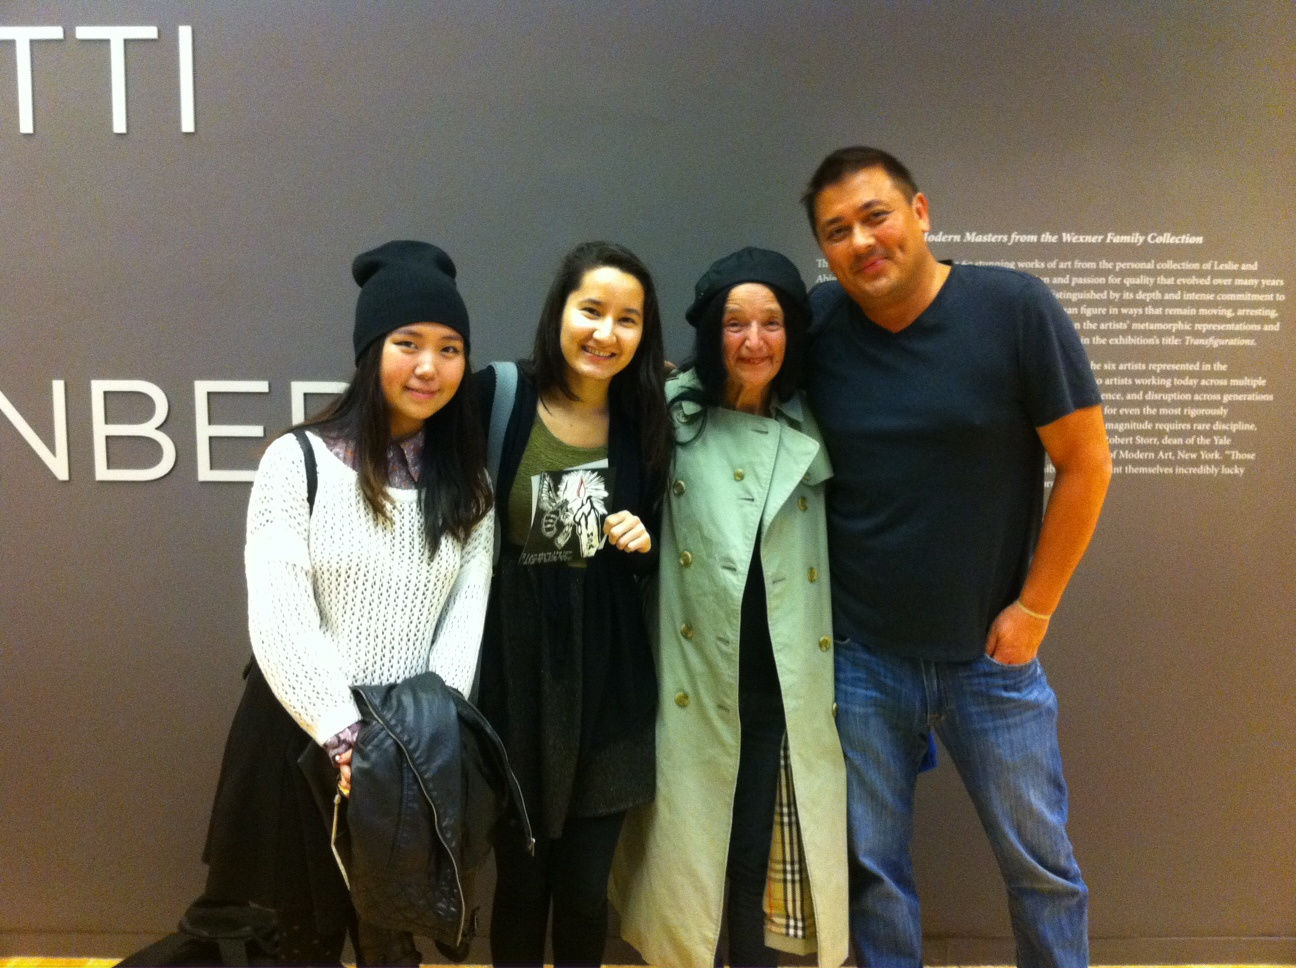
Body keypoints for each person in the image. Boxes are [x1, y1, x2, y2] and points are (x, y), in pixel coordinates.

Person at [801, 146, 1112, 968]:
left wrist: (1035, 609)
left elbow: (1086, 463)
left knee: (1041, 868)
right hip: (862, 656)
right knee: (872, 873)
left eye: (876, 216)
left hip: (990, 657)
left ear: (921, 212)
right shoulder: (822, 324)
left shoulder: (1012, 307)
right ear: (824, 250)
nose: (862, 241)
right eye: (837, 231)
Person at [202, 240, 494, 966]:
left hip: (408, 753)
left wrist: (425, 740)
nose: (430, 367)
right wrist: (342, 737)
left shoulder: (469, 484)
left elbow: (465, 619)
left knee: (391, 946)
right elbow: (279, 619)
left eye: (451, 348)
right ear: (371, 351)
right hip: (297, 738)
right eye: (408, 343)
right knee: (295, 943)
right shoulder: (295, 462)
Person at [611, 248, 849, 968]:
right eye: (735, 323)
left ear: (793, 334)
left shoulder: (813, 426)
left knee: (751, 866)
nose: (753, 341)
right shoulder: (668, 418)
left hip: (775, 689)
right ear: (710, 333)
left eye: (772, 323)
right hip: (689, 689)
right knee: (685, 870)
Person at [475, 240, 671, 968]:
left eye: (628, 319)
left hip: (608, 683)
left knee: (587, 890)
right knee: (523, 883)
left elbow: (650, 557)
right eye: (592, 310)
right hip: (514, 677)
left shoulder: (646, 420)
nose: (606, 332)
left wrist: (639, 539)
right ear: (559, 310)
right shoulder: (496, 396)